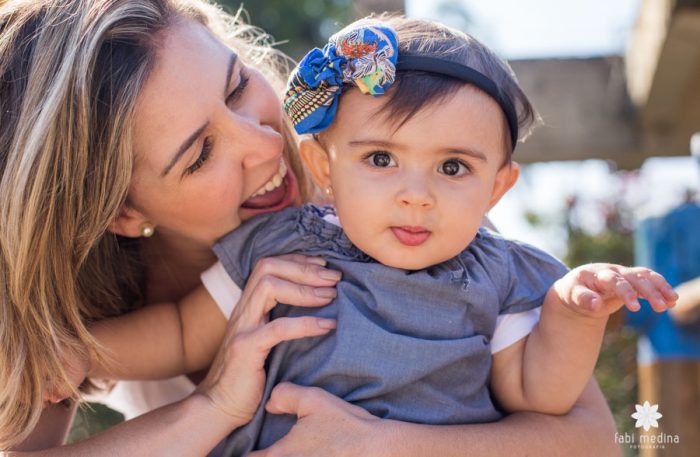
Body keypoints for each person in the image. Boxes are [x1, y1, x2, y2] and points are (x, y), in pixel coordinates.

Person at [1, 0, 621, 455]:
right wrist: (211, 409)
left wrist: (378, 444)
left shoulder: (397, 191)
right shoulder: (67, 310)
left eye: (238, 85)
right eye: (200, 154)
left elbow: (589, 436)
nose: (269, 144)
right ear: (122, 213)